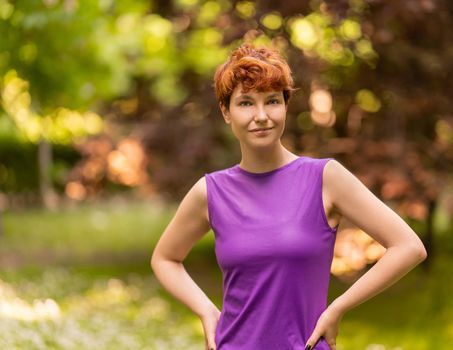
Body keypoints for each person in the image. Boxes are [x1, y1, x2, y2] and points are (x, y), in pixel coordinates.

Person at [150, 43, 427, 350]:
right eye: (245, 103)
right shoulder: (211, 191)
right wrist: (205, 310)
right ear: (226, 112)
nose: (261, 116)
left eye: (272, 101)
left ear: (285, 105)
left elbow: (409, 247)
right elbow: (165, 258)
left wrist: (337, 308)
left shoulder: (324, 178)